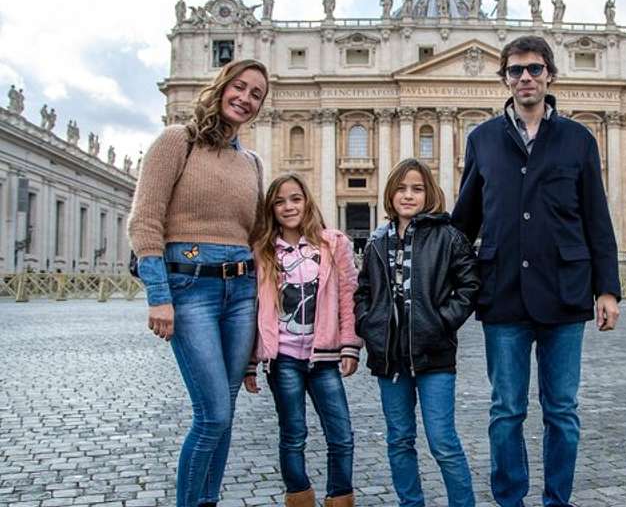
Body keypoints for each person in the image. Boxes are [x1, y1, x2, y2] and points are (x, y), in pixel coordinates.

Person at [451, 35, 621, 507]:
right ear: (505, 78)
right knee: (506, 410)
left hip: (565, 291)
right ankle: (510, 499)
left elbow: (597, 217)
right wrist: (423, 253)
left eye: (534, 69)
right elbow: (465, 221)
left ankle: (556, 500)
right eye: (515, 70)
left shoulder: (579, 139)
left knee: (562, 410)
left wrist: (608, 289)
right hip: (502, 291)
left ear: (550, 75)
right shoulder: (482, 139)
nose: (525, 77)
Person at [127, 58, 269, 507]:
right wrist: (159, 296)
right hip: (191, 291)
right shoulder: (177, 140)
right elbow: (145, 221)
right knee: (213, 415)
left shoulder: (252, 162)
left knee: (225, 414)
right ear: (221, 86)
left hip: (241, 293)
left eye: (256, 95)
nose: (245, 98)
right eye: (240, 87)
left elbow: (256, 235)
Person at [354, 158, 483, 507]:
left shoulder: (449, 237)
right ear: (390, 194)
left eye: (417, 189)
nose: (408, 195)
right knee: (399, 440)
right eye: (401, 188)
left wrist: (442, 321)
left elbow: (470, 285)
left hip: (434, 355)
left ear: (430, 194)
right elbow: (363, 291)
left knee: (443, 442)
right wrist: (368, 324)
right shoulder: (377, 241)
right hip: (389, 359)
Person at [244, 173, 361, 507]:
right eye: (279, 202)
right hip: (282, 359)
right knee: (293, 435)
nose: (288, 207)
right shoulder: (263, 251)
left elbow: (348, 296)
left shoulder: (333, 244)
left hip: (324, 356)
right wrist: (250, 363)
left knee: (341, 435)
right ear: (271, 209)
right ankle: (299, 497)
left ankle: (340, 497)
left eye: (295, 199)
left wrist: (350, 344)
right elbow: (253, 309)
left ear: (307, 201)